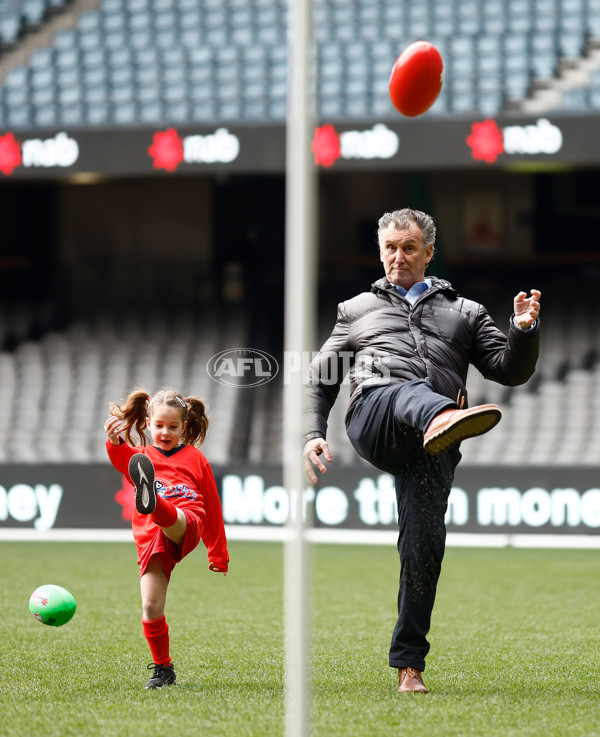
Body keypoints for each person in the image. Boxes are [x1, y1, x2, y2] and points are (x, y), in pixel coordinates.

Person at [303, 208, 540, 694]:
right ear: (380, 251)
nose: (398, 257)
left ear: (428, 253)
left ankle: (408, 667)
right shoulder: (355, 310)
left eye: (408, 248)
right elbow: (320, 379)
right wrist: (312, 433)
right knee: (399, 388)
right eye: (390, 248)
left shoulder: (467, 312)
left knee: (423, 548)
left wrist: (523, 329)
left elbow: (508, 370)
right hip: (375, 416)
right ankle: (439, 414)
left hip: (435, 445)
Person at [104, 387, 229, 690]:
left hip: (188, 520)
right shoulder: (140, 457)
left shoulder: (196, 459)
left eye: (173, 427)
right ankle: (163, 669)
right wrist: (114, 442)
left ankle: (155, 502)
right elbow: (121, 459)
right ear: (147, 424)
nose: (165, 432)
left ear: (184, 427)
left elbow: (211, 507)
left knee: (174, 517)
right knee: (150, 606)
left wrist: (217, 553)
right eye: (159, 425)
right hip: (151, 539)